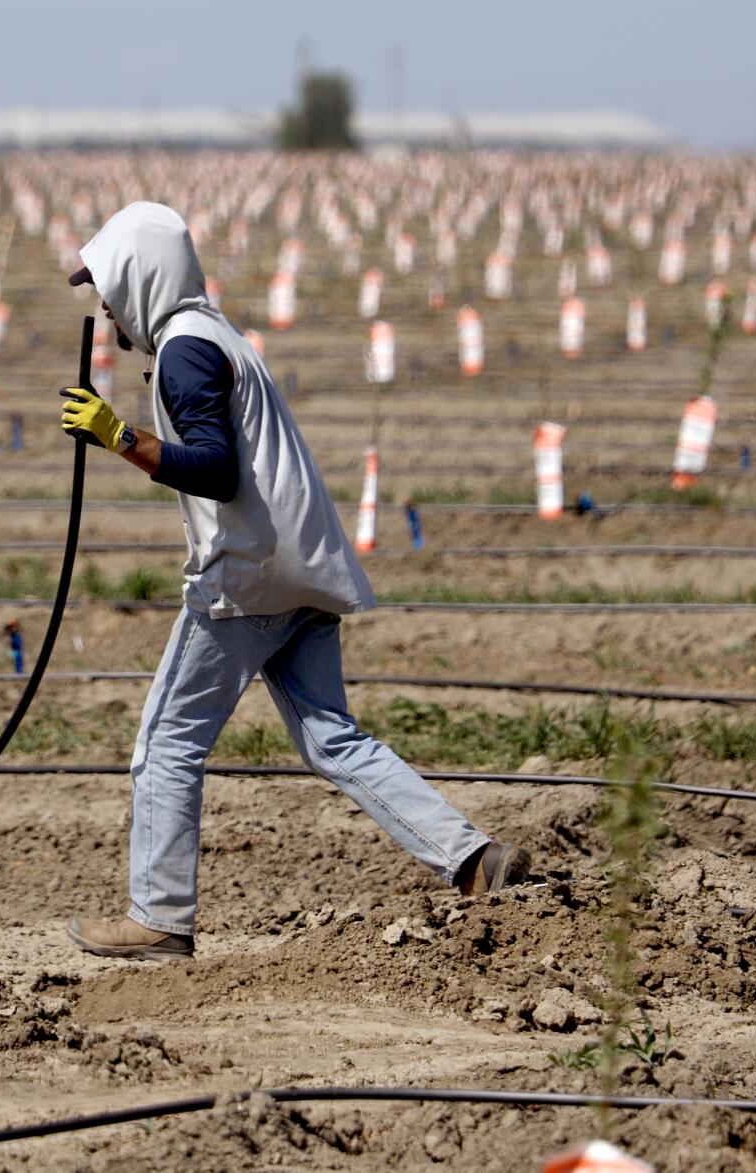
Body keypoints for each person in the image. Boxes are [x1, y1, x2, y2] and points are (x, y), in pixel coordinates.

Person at [58, 202, 530, 962]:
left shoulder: (185, 351)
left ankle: (159, 918)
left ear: (139, 276)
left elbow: (215, 469)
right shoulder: (217, 336)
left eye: (107, 286)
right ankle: (475, 859)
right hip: (306, 568)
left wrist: (120, 436)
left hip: (248, 579)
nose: (104, 307)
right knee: (332, 738)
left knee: (166, 742)